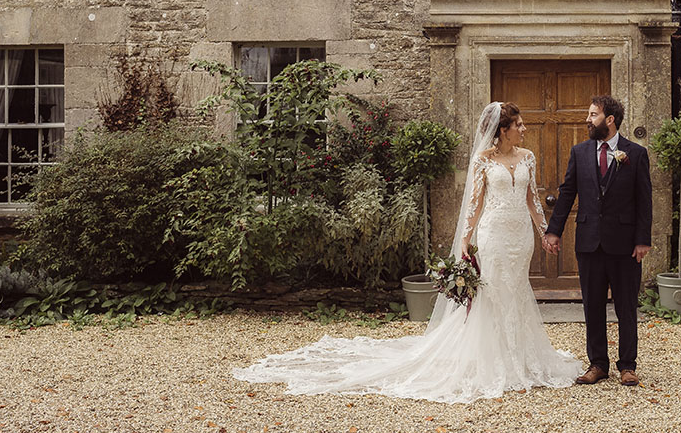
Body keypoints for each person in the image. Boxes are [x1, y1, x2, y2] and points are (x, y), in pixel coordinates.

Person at [233, 101, 581, 404]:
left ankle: (520, 356)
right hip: (492, 235)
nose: (523, 129)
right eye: (518, 125)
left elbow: (533, 200)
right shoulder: (483, 160)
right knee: (493, 294)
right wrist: (465, 240)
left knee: (517, 290)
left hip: (520, 236)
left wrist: (546, 232)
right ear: (502, 130)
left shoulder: (528, 157)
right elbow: (474, 204)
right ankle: (493, 360)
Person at [543, 95, 652, 387]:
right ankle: (598, 364)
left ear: (610, 120)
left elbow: (645, 200)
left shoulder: (636, 154)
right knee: (592, 306)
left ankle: (627, 365)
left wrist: (643, 240)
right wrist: (554, 231)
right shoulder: (579, 152)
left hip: (625, 244)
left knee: (626, 306)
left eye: (593, 115)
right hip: (589, 242)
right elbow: (567, 193)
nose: (587, 120)